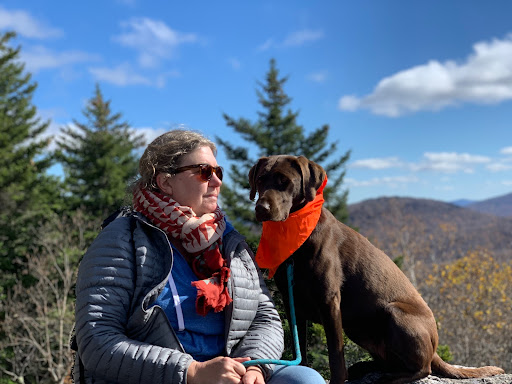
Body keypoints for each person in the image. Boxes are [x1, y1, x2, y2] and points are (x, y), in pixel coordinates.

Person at [73, 129, 326, 384]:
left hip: (233, 375)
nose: (216, 182)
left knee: (305, 380)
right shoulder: (122, 239)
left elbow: (265, 316)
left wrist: (255, 367)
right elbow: (97, 340)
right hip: (161, 377)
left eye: (219, 172)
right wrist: (191, 372)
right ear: (166, 182)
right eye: (205, 172)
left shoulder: (227, 237)